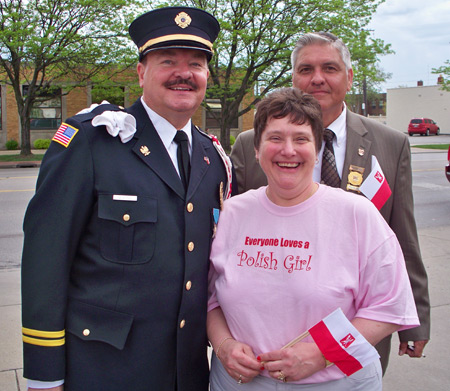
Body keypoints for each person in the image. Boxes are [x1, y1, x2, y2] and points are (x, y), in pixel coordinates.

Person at [21, 6, 233, 391]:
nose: (184, 73)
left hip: (185, 372)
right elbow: (45, 262)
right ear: (141, 72)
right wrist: (44, 373)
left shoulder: (212, 158)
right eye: (168, 60)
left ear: (205, 77)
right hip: (104, 369)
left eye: (196, 64)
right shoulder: (91, 141)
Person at [230, 32, 430, 372]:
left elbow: (402, 234)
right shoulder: (253, 145)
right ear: (293, 78)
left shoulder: (390, 144)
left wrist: (416, 317)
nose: (317, 78)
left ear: (349, 78)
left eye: (330, 68)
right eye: (306, 69)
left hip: (357, 325)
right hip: (269, 338)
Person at [207, 87, 419, 390]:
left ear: (318, 148)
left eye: (301, 139)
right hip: (239, 382)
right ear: (256, 149)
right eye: (275, 138)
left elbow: (390, 305)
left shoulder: (357, 214)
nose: (288, 150)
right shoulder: (232, 213)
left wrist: (322, 354)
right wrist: (224, 345)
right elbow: (209, 296)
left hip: (337, 381)